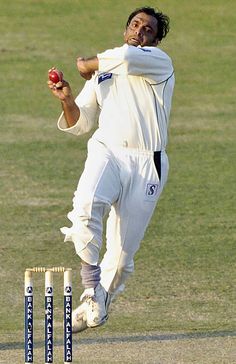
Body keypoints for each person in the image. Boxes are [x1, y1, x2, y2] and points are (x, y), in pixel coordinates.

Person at [48, 6, 175, 333]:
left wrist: (85, 64)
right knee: (86, 204)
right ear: (125, 29)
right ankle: (91, 287)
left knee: (121, 256)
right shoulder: (105, 66)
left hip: (148, 164)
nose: (140, 31)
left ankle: (101, 299)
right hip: (108, 151)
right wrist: (67, 99)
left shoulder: (158, 63)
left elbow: (127, 59)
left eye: (148, 30)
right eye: (135, 25)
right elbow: (82, 123)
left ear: (155, 41)